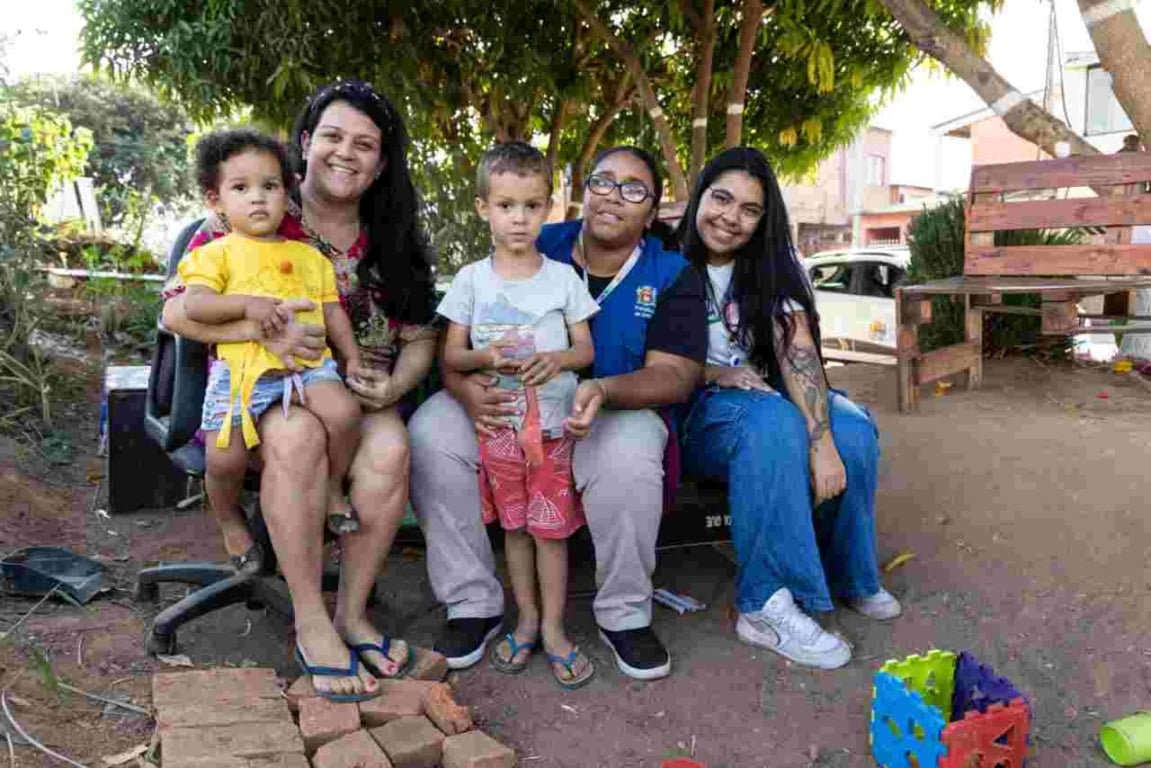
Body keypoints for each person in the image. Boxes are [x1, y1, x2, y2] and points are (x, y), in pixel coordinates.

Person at [161, 81, 436, 700]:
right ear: (306, 145)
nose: (347, 153)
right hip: (260, 391)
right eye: (333, 137)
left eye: (365, 144)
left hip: (357, 392)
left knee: (388, 450)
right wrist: (258, 327)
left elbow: (421, 336)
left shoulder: (395, 238)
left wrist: (391, 380)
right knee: (295, 432)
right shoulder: (251, 210)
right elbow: (176, 313)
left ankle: (352, 615)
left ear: (382, 162)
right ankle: (311, 622)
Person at [410, 146, 708, 681]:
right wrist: (462, 386)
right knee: (431, 430)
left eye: (634, 188)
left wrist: (602, 388)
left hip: (610, 407)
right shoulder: (538, 242)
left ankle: (623, 614)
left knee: (632, 454)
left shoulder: (671, 273)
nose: (614, 196)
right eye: (603, 181)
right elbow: (453, 339)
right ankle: (472, 603)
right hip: (506, 403)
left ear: (653, 210)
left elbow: (678, 375)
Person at [677, 147, 901, 671]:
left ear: (763, 219)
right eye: (721, 199)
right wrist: (714, 373)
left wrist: (822, 442)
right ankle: (762, 604)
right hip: (696, 408)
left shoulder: (774, 269)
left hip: (767, 396)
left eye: (749, 209)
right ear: (700, 197)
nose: (731, 218)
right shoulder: (667, 262)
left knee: (851, 431)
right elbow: (651, 360)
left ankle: (849, 573)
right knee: (774, 422)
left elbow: (798, 356)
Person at [437, 142, 600, 688]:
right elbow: (451, 357)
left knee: (550, 532)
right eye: (507, 205)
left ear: (547, 208)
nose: (519, 218)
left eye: (532, 206)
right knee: (515, 529)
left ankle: (554, 628)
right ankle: (526, 621)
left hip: (553, 433)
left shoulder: (562, 279)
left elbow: (585, 351)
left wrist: (555, 358)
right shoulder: (471, 281)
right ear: (483, 207)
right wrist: (487, 358)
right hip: (500, 432)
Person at [181, 129, 364, 545]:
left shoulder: (309, 257)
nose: (257, 198)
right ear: (216, 200)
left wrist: (351, 357)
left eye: (270, 186)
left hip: (307, 367)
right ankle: (229, 521)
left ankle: (334, 488)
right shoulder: (215, 253)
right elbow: (194, 306)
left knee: (345, 416)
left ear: (287, 192)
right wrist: (249, 306)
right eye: (241, 188)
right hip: (241, 373)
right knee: (223, 458)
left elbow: (331, 309)